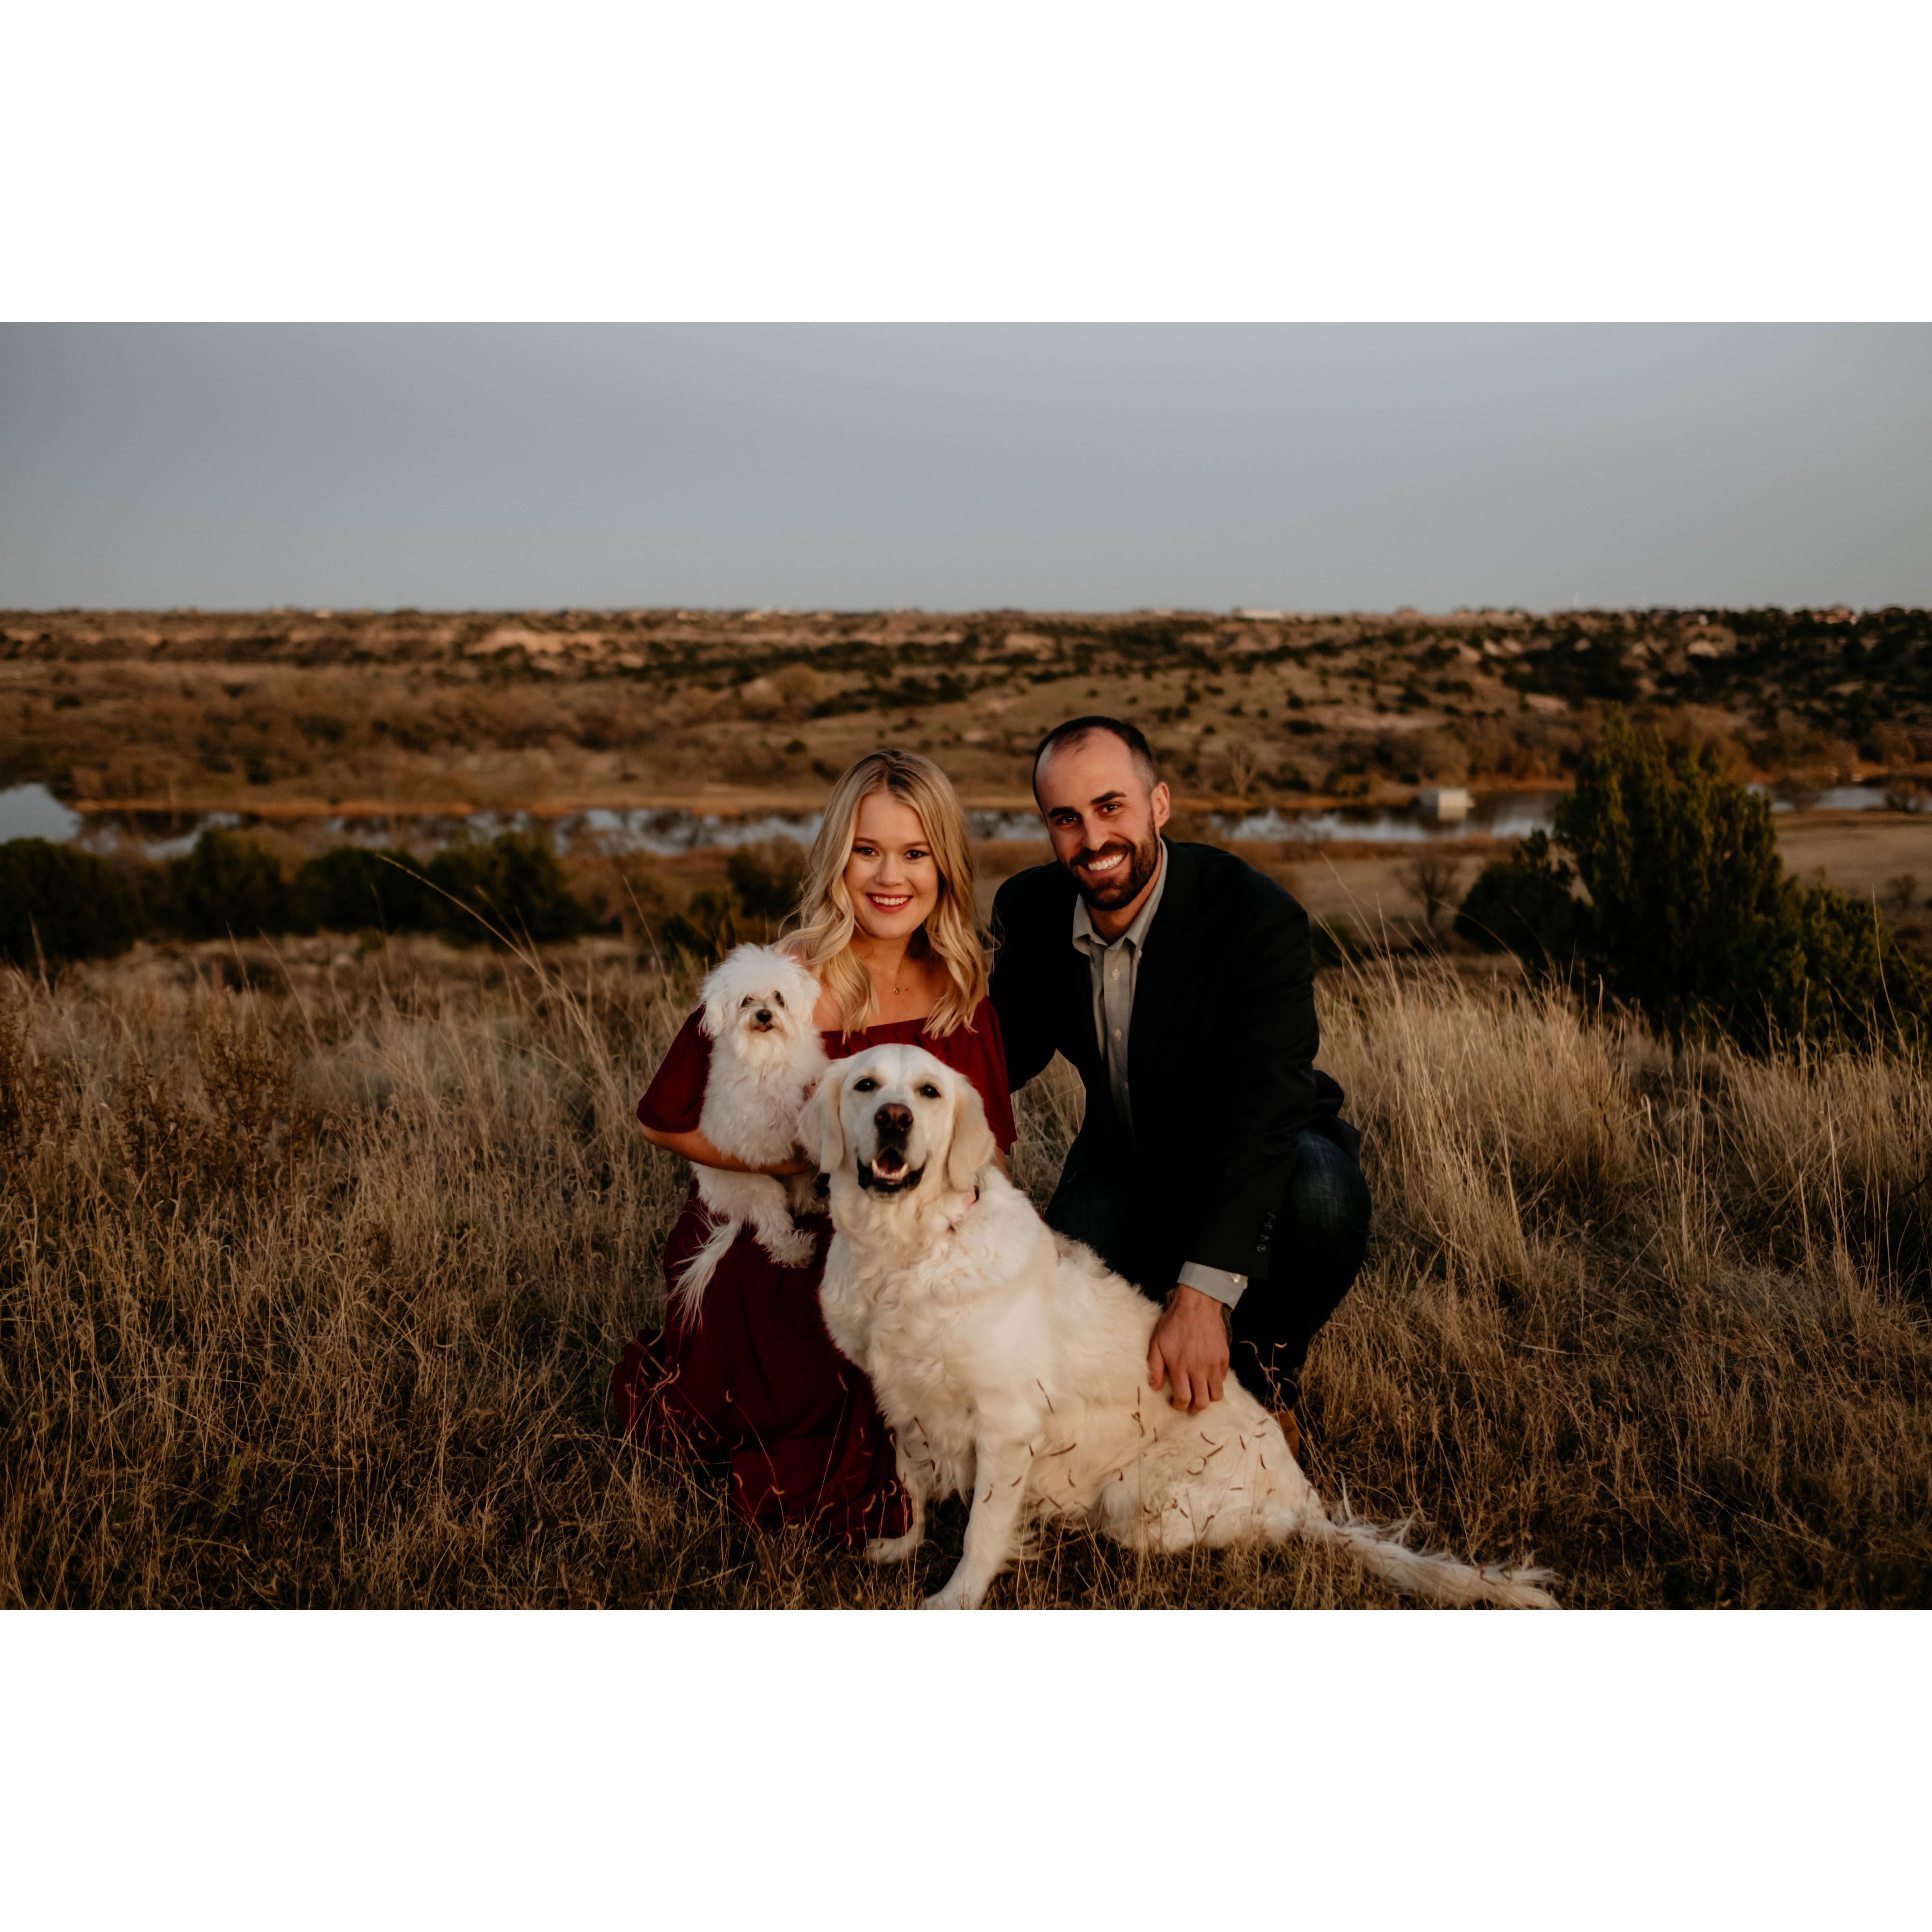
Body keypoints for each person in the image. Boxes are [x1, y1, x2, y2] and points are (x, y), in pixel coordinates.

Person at [613, 748, 1015, 1545]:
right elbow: (661, 1119)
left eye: (915, 853)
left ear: (944, 865)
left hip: (912, 1234)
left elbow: (989, 1150)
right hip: (788, 1230)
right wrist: (790, 1162)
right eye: (867, 851)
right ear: (838, 858)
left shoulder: (959, 985)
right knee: (832, 1392)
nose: (889, 877)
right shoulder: (782, 979)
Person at [989, 715, 1369, 1454]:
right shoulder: (1030, 909)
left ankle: (1265, 1381)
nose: (1092, 838)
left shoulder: (1255, 917)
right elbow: (1001, 1054)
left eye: (1111, 806)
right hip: (1121, 1161)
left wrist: (1203, 1295)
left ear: (1158, 803)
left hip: (1255, 1152)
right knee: (1060, 1320)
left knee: (1325, 1197)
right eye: (1066, 818)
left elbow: (1270, 1108)